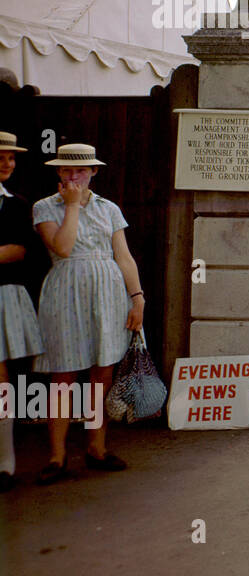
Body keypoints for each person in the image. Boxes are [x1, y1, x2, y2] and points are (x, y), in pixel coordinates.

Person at [33, 144, 145, 483]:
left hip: (108, 293)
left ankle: (96, 448)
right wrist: (71, 207)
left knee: (102, 373)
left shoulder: (108, 208)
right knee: (63, 375)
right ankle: (57, 456)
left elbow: (123, 255)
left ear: (93, 172)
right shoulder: (45, 207)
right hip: (65, 291)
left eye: (80, 170)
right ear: (58, 173)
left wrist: (137, 298)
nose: (73, 176)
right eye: (66, 170)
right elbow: (63, 247)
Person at [0, 132, 43, 492]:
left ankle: (5, 463)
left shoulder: (17, 204)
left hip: (5, 297)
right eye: (0, 156)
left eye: (11, 158)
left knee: (0, 377)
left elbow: (19, 251)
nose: (7, 164)